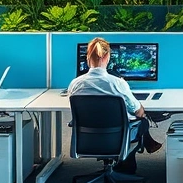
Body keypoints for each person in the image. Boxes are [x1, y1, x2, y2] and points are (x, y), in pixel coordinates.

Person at [68, 37, 163, 174]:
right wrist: (141, 111)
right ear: (107, 56)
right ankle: (127, 163)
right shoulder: (117, 83)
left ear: (88, 57)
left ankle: (126, 164)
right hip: (116, 137)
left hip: (87, 138)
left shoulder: (75, 84)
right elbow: (138, 112)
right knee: (142, 122)